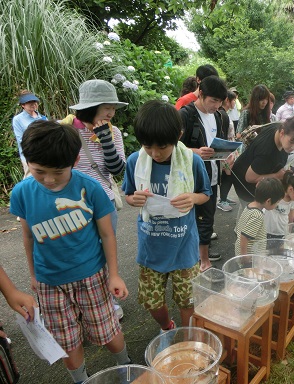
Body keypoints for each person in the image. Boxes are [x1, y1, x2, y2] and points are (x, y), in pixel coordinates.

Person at [10, 120, 130, 384]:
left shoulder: (90, 188)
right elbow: (28, 236)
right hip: (49, 283)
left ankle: (126, 367)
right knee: (66, 340)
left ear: (74, 160)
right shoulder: (21, 193)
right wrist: (33, 275)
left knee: (107, 332)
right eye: (39, 171)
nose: (49, 180)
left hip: (92, 275)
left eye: (57, 172)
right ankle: (81, 380)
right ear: (27, 160)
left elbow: (107, 233)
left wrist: (114, 274)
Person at [123, 100, 211, 330]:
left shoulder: (192, 161)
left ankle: (188, 339)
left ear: (178, 136)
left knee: (187, 300)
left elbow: (206, 194)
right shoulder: (135, 161)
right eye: (147, 146)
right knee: (151, 301)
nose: (155, 153)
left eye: (162, 147)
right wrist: (135, 200)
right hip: (151, 247)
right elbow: (129, 195)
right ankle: (167, 327)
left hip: (184, 247)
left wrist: (192, 198)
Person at [62, 79, 128, 319]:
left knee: (104, 251)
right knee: (78, 250)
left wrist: (104, 138)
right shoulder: (67, 130)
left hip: (104, 201)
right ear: (91, 107)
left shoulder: (114, 132)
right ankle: (80, 301)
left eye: (113, 107)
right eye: (106, 107)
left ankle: (108, 299)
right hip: (73, 204)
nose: (111, 112)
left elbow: (116, 169)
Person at [179, 76, 229, 270]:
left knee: (208, 217)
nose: (216, 105)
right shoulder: (186, 115)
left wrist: (226, 156)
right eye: (213, 101)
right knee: (188, 217)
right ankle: (191, 258)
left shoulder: (218, 116)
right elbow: (171, 146)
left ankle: (203, 259)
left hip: (212, 174)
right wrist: (195, 152)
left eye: (220, 101)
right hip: (189, 177)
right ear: (200, 93)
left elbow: (220, 142)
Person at [232, 116, 294, 210]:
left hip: (254, 167)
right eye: (291, 142)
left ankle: (242, 223)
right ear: (282, 133)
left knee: (245, 211)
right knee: (252, 211)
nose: (293, 147)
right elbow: (250, 178)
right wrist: (276, 175)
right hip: (244, 180)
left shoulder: (278, 126)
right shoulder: (267, 153)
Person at [234, 178, 284, 255]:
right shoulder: (257, 216)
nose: (277, 205)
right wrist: (244, 257)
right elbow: (244, 237)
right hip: (250, 256)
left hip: (246, 252)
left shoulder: (250, 206)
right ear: (268, 201)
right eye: (277, 202)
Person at [12, 90, 48, 177]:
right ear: (23, 105)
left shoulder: (43, 118)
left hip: (44, 154)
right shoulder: (18, 119)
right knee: (30, 179)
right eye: (29, 102)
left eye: (34, 101)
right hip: (29, 156)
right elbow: (21, 140)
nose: (33, 104)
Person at [264, 172, 294, 239]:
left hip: (282, 231)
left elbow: (291, 217)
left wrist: (289, 232)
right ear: (291, 189)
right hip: (268, 230)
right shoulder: (276, 194)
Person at [217, 90, 237, 212]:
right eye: (233, 99)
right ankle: (222, 200)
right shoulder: (222, 114)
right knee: (227, 176)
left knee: (227, 175)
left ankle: (224, 198)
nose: (235, 102)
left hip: (228, 150)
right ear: (227, 100)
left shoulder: (224, 114)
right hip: (225, 151)